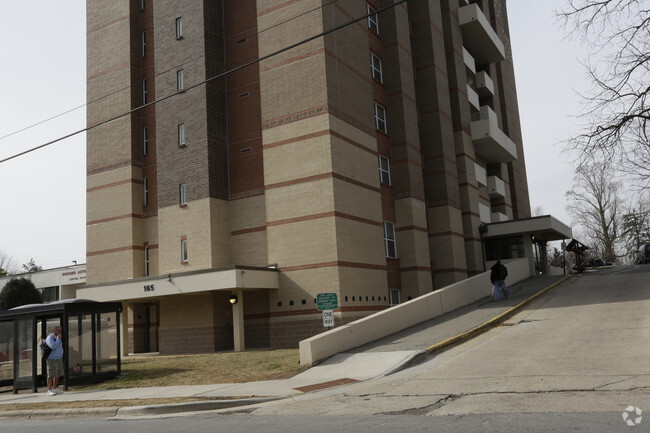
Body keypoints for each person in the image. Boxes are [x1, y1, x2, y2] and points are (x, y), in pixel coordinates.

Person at [45, 325, 64, 396]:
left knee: (58, 374)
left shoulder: (58, 338)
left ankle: (55, 388)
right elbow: (52, 346)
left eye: (60, 330)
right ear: (54, 331)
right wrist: (58, 339)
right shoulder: (50, 337)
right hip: (52, 359)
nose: (60, 332)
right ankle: (49, 390)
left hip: (59, 358)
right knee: (51, 375)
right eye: (58, 330)